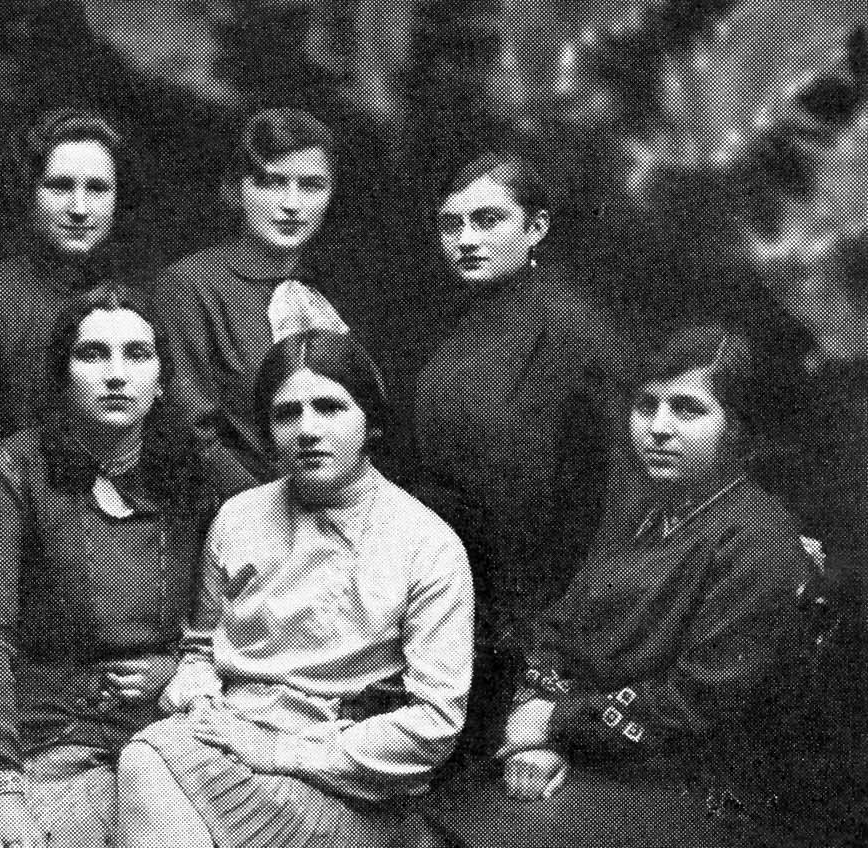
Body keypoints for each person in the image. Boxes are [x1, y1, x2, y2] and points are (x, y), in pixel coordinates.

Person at [428, 324, 814, 848]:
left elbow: (699, 702)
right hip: (575, 747)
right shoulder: (644, 512)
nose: (657, 428)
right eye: (647, 406)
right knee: (430, 813)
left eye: (687, 410)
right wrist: (532, 726)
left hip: (680, 781)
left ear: (738, 430)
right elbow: (561, 626)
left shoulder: (760, 545)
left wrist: (556, 725)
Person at [115, 328, 473, 848]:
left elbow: (436, 721)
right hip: (226, 741)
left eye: (329, 407)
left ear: (369, 421)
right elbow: (202, 646)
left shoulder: (427, 546)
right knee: (145, 758)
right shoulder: (238, 518)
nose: (307, 429)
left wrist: (292, 753)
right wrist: (194, 692)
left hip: (338, 773)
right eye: (287, 414)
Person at [0, 284, 218, 848]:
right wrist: (0, 784)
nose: (116, 375)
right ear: (63, 373)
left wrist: (188, 664)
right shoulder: (11, 473)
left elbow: (257, 595)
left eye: (137, 354)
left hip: (184, 731)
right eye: (93, 354)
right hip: (55, 736)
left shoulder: (199, 471)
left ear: (163, 376)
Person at [409, 149, 635, 752]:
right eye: (452, 225)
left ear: (535, 228)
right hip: (447, 610)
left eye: (487, 221)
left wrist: (544, 634)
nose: (465, 241)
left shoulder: (578, 337)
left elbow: (607, 499)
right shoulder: (443, 342)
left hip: (543, 617)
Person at [0, 106, 131, 646]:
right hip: (0, 553)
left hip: (102, 563)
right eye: (62, 187)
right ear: (30, 191)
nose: (80, 209)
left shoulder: (128, 305)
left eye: (97, 189)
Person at [154, 107, 353, 498]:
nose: (292, 204)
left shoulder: (343, 285)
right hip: (241, 517)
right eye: (272, 183)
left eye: (311, 185)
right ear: (234, 191)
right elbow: (193, 431)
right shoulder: (190, 286)